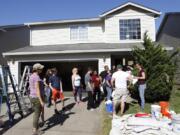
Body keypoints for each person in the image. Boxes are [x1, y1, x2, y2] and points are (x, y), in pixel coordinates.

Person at [29, 63, 45, 135]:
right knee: (37, 114)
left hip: (33, 97)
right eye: (41, 68)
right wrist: (41, 101)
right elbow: (37, 90)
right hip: (37, 98)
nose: (42, 69)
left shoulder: (32, 76)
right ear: (37, 69)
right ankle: (35, 130)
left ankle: (36, 128)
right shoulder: (36, 77)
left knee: (36, 113)